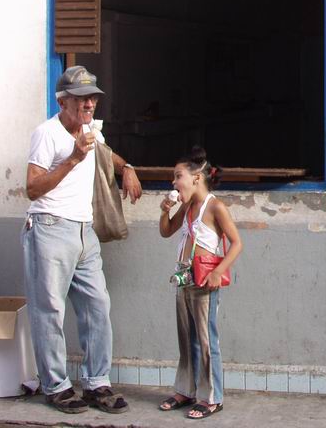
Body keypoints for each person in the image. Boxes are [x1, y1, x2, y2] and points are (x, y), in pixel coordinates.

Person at [23, 65, 142, 413]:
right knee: (49, 311)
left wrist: (127, 167)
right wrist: (73, 158)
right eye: (80, 98)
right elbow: (32, 187)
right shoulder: (47, 134)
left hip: (83, 230)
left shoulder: (90, 130)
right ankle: (56, 386)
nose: (88, 104)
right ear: (63, 101)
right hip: (48, 226)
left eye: (92, 97)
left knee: (97, 305)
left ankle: (96, 383)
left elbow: (105, 154)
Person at [158, 146, 242, 420]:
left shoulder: (214, 206)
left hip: (205, 280)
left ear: (196, 177)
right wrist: (165, 211)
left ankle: (212, 397)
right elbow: (167, 231)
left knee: (206, 340)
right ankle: (187, 389)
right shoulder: (188, 206)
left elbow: (237, 243)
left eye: (178, 175)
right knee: (186, 338)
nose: (174, 182)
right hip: (184, 277)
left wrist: (219, 271)